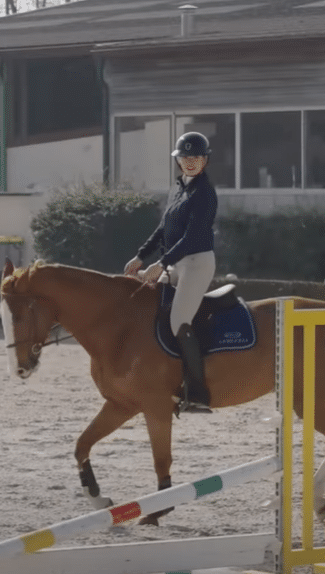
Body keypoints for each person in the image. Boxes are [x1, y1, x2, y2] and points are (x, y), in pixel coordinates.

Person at [124, 132, 218, 415]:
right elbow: (163, 229)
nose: (190, 163)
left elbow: (191, 237)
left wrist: (161, 264)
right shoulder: (178, 189)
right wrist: (141, 256)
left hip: (197, 262)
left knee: (178, 320)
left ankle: (197, 393)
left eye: (196, 158)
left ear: (205, 160)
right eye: (185, 158)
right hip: (176, 262)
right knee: (148, 303)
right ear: (178, 161)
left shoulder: (204, 193)